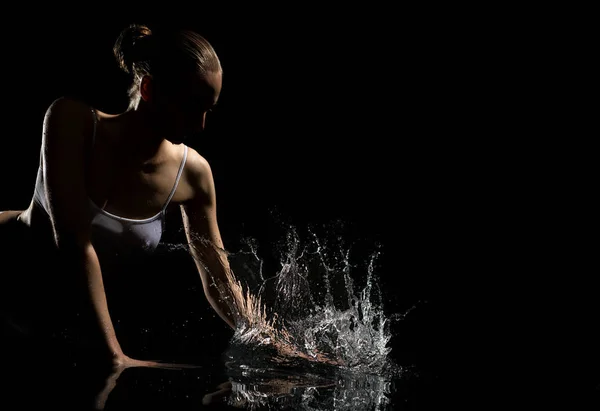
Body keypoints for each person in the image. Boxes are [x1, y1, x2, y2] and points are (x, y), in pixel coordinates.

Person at [0, 23, 238, 369]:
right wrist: (116, 356)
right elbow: (72, 241)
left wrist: (274, 344)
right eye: (191, 106)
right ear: (149, 88)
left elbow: (221, 279)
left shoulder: (195, 174)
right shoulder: (72, 121)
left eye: (209, 110)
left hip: (51, 323)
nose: (200, 125)